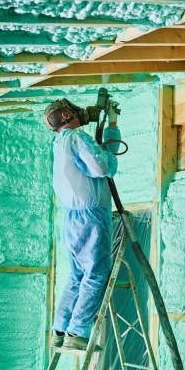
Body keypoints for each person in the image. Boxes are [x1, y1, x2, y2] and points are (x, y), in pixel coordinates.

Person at [44, 97, 121, 351]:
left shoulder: (59, 143)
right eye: (72, 109)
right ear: (66, 116)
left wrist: (111, 122)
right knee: (96, 274)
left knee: (78, 275)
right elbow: (102, 166)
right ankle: (77, 332)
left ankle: (60, 330)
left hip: (72, 219)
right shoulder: (76, 137)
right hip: (92, 217)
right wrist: (109, 140)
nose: (79, 111)